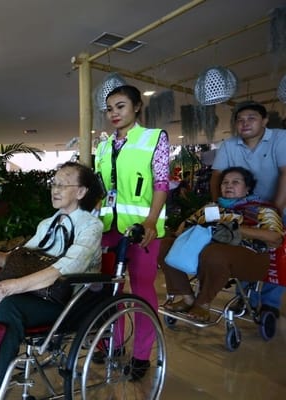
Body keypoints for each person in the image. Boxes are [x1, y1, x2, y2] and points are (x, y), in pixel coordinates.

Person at [0, 161, 104, 400]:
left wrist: (12, 287)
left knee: (9, 307)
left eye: (64, 184)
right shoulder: (48, 224)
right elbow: (20, 261)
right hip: (38, 294)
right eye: (54, 183)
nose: (55, 189)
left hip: (68, 302)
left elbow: (66, 268)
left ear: (82, 192)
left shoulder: (91, 226)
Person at [94, 84, 169, 378]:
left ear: (137, 107)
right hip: (108, 229)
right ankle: (111, 344)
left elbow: (161, 183)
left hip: (142, 232)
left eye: (120, 106)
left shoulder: (153, 139)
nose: (114, 113)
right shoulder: (102, 146)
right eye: (110, 108)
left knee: (142, 290)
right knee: (109, 289)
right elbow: (101, 190)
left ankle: (141, 355)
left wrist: (150, 222)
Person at [160, 167, 283, 322]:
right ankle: (187, 298)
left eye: (235, 182)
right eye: (225, 182)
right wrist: (189, 229)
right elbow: (183, 228)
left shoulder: (262, 209)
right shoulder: (212, 208)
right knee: (165, 245)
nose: (228, 186)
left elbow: (275, 237)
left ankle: (203, 303)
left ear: (247, 189)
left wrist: (234, 229)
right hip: (206, 254)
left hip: (252, 258)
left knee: (214, 252)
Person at [210, 100, 286, 317]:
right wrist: (220, 207)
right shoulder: (229, 145)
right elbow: (217, 177)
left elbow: (285, 174)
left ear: (264, 121)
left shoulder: (280, 139)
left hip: (279, 204)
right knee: (243, 248)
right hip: (244, 208)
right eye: (240, 120)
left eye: (251, 118)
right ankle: (245, 298)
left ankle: (270, 302)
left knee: (277, 254)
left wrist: (276, 211)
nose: (245, 123)